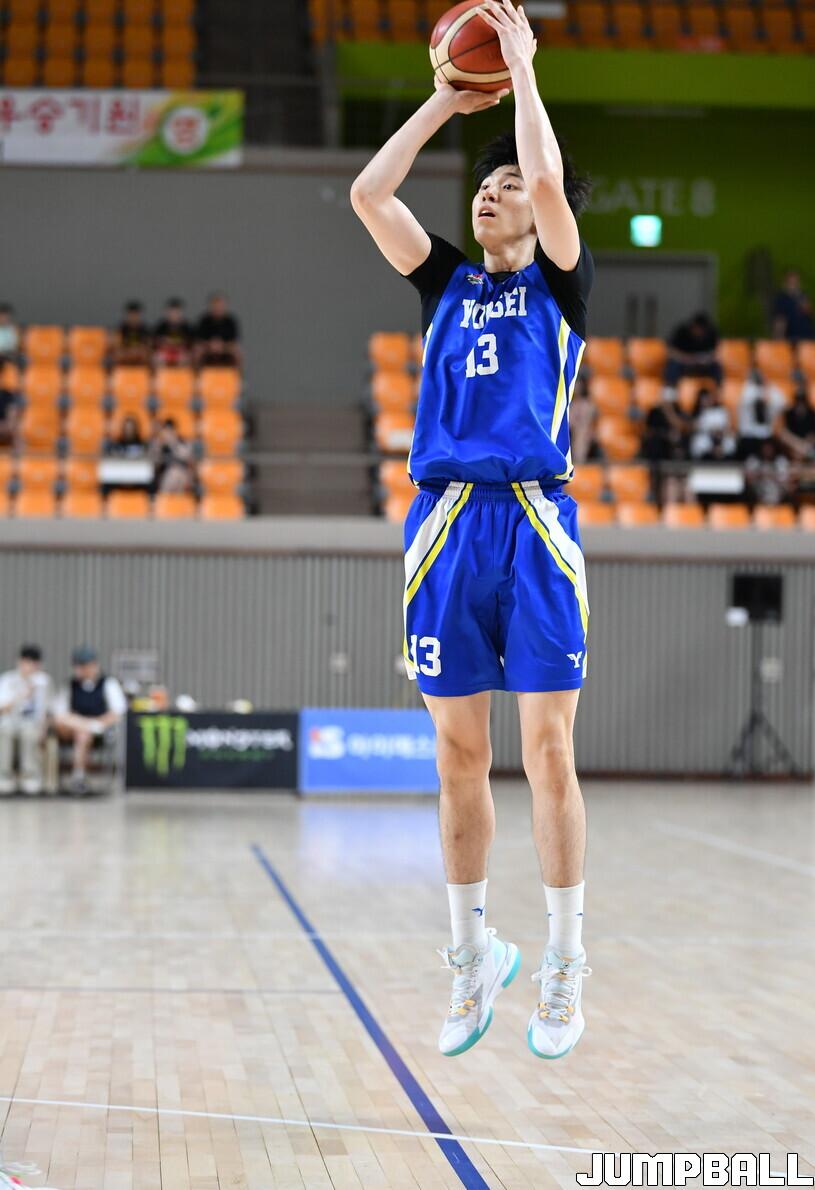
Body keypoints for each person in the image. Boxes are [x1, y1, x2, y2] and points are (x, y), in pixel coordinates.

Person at [351, 0, 593, 1061]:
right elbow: (370, 193)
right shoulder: (443, 283)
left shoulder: (561, 283)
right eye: (482, 187)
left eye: (507, 187)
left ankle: (565, 963)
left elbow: (546, 179)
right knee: (458, 756)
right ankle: (470, 955)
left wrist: (523, 70)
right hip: (445, 525)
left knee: (547, 750)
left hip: (534, 521)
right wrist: (444, 104)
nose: (492, 192)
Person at [52, 646, 127, 795]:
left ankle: (78, 777)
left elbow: (117, 712)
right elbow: (59, 713)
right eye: (78, 666)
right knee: (66, 724)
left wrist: (98, 723)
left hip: (99, 732)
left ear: (93, 665)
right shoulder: (70, 685)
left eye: (84, 666)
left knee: (83, 734)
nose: (80, 670)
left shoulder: (108, 684)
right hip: (71, 729)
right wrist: (86, 724)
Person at [0, 644, 52, 795]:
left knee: (29, 733)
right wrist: (22, 695)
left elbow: (48, 710)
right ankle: (4, 775)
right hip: (9, 721)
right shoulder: (8, 679)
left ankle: (30, 776)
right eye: (27, 662)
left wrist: (45, 729)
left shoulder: (44, 681)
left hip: (32, 723)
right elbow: (2, 708)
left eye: (34, 663)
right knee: (5, 732)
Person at [663, 312, 722, 388]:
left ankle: (718, 389)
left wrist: (708, 358)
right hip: (683, 363)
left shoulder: (711, 333)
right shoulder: (681, 332)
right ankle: (670, 389)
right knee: (673, 365)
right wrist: (684, 357)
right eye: (698, 329)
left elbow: (717, 350)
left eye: (702, 330)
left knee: (716, 366)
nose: (699, 332)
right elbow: (670, 349)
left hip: (703, 364)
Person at [737, 373, 787, 460]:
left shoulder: (770, 391)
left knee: (776, 441)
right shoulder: (749, 390)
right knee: (746, 443)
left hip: (767, 431)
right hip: (750, 431)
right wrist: (762, 393)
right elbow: (745, 399)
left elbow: (783, 403)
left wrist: (769, 388)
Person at [195, 292, 241, 369]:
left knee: (237, 352)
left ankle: (237, 374)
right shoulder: (204, 320)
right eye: (215, 306)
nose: (218, 308)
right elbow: (199, 340)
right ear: (211, 307)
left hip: (225, 348)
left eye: (220, 306)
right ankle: (197, 374)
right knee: (197, 350)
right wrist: (210, 345)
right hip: (208, 347)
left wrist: (222, 345)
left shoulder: (231, 321)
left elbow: (233, 341)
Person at [744, 438, 795, 507]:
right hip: (758, 497)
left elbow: (786, 480)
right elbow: (748, 479)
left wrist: (771, 476)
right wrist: (760, 474)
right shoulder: (754, 460)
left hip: (778, 497)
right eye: (765, 448)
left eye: (769, 448)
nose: (767, 450)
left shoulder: (781, 461)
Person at [689, 387, 736, 461]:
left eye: (707, 398)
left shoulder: (721, 411)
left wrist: (718, 441)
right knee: (699, 441)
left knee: (730, 442)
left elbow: (726, 429)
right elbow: (695, 429)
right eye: (703, 399)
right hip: (706, 444)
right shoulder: (698, 414)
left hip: (721, 441)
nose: (705, 401)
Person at [149, 418, 195, 492]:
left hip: (181, 474)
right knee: (173, 474)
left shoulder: (182, 442)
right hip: (163, 476)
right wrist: (158, 446)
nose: (168, 434)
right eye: (167, 431)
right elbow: (154, 462)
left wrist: (172, 443)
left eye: (171, 430)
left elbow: (186, 457)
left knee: (175, 472)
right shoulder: (160, 444)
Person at [771, 270, 815, 343]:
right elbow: (779, 320)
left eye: (796, 282)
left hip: (809, 338)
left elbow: (811, 314)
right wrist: (778, 340)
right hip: (792, 339)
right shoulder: (781, 299)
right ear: (786, 283)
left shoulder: (803, 295)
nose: (794, 284)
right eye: (791, 282)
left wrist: (807, 308)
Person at [568, 373, 600, 464]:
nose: (577, 386)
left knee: (582, 433)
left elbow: (593, 423)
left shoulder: (589, 405)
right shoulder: (568, 405)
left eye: (578, 383)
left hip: (587, 436)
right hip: (570, 435)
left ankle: (580, 462)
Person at [153, 297, 194, 368]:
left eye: (176, 312)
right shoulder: (161, 326)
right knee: (156, 357)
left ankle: (183, 375)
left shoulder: (186, 326)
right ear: (167, 312)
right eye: (172, 311)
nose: (174, 314)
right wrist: (165, 342)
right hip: (165, 352)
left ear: (180, 313)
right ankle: (161, 375)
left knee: (187, 358)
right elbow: (156, 341)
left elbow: (190, 342)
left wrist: (179, 344)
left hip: (180, 352)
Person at [778, 388, 815, 460]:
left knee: (810, 444)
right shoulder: (789, 413)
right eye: (798, 401)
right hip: (793, 443)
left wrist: (803, 448)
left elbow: (813, 434)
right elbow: (786, 434)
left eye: (802, 402)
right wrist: (798, 447)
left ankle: (803, 453)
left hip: (806, 444)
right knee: (784, 434)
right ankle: (803, 452)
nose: (800, 404)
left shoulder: (812, 413)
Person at [112, 300, 152, 367]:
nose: (133, 317)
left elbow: (148, 346)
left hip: (139, 354)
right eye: (131, 314)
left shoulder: (145, 329)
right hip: (125, 353)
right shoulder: (121, 328)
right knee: (117, 355)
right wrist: (128, 351)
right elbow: (116, 345)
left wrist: (137, 350)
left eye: (135, 314)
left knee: (146, 355)